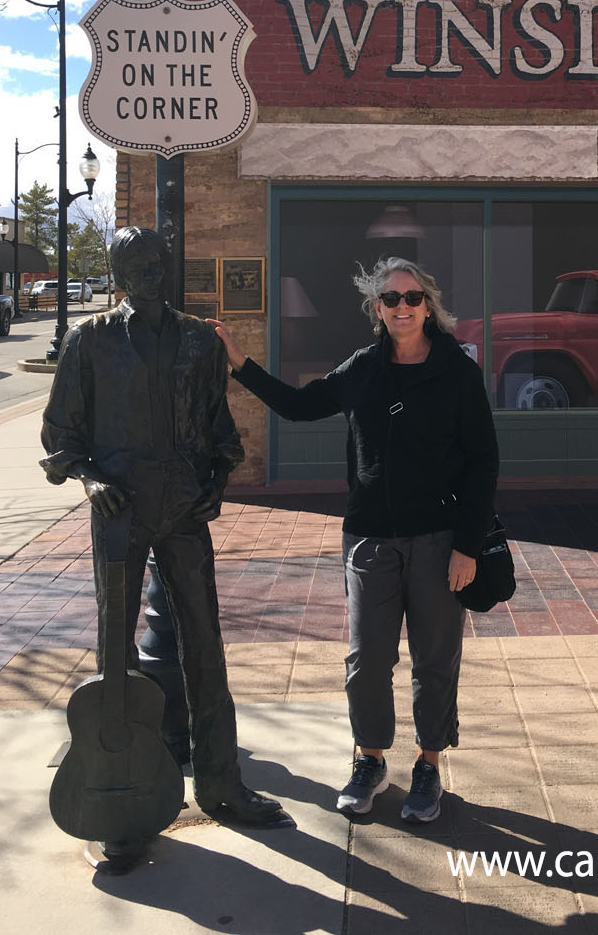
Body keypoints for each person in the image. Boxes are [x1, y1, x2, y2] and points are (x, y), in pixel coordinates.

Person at [212, 256, 498, 824]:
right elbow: (299, 407)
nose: (402, 308)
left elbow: (483, 462)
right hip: (369, 538)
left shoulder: (457, 370)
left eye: (412, 297)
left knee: (435, 659)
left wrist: (468, 544)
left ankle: (429, 763)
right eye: (390, 299)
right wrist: (242, 365)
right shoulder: (363, 368)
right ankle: (370, 758)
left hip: (440, 538)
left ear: (428, 304)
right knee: (367, 658)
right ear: (377, 309)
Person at [41, 227, 291, 860]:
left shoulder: (196, 341)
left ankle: (220, 782)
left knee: (205, 642)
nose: (152, 273)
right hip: (120, 510)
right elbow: (60, 435)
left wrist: (217, 478)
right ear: (120, 272)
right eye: (138, 264)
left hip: (183, 509)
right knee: (115, 648)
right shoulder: (90, 340)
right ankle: (117, 799)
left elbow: (217, 425)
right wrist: (92, 480)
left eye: (159, 263)